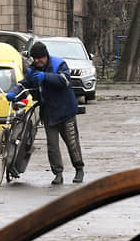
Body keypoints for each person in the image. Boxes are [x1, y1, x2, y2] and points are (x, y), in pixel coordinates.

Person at [6, 41, 84, 185]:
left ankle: (79, 169)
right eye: (35, 59)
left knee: (72, 143)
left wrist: (45, 77)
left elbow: (65, 81)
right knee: (52, 146)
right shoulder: (33, 71)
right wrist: (14, 93)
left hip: (66, 111)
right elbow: (25, 85)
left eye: (40, 58)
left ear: (46, 56)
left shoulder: (59, 64)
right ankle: (58, 173)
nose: (38, 61)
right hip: (49, 113)